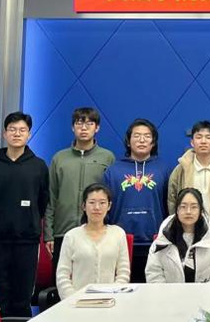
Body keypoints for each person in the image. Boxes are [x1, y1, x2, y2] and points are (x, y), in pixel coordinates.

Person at [0, 111, 48, 318]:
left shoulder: (38, 166)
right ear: (4, 134)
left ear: (29, 134)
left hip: (27, 242)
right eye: (12, 130)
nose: (17, 134)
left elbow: (42, 201)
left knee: (22, 296)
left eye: (22, 130)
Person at [44, 107, 115, 280]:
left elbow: (112, 197)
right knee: (63, 281)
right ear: (72, 127)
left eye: (89, 124)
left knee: (94, 280)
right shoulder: (59, 159)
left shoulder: (107, 158)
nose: (84, 128)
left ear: (97, 128)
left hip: (97, 231)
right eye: (79, 123)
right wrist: (49, 234)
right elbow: (51, 197)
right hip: (63, 231)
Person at [104, 118, 172, 282]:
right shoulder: (113, 171)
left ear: (153, 142)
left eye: (147, 136)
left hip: (156, 241)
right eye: (137, 136)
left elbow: (170, 205)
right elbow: (105, 206)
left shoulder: (164, 169)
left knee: (154, 292)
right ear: (128, 141)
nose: (142, 140)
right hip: (121, 242)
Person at [166, 120, 210, 245]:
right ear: (192, 142)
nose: (203, 141)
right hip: (187, 232)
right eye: (199, 137)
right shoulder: (181, 169)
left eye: (208, 137)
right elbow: (172, 200)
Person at [55, 183, 130, 299]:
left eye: (102, 203)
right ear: (84, 206)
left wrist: (113, 295)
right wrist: (72, 298)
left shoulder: (118, 234)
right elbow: (62, 275)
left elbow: (123, 272)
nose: (97, 207)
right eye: (92, 202)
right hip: (78, 302)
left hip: (110, 300)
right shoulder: (71, 236)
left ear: (109, 206)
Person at [145, 187, 210, 283]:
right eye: (183, 207)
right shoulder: (162, 240)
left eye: (194, 207)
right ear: (177, 210)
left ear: (201, 211)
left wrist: (207, 291)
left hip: (206, 292)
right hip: (169, 292)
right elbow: (153, 273)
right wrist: (167, 292)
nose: (188, 211)